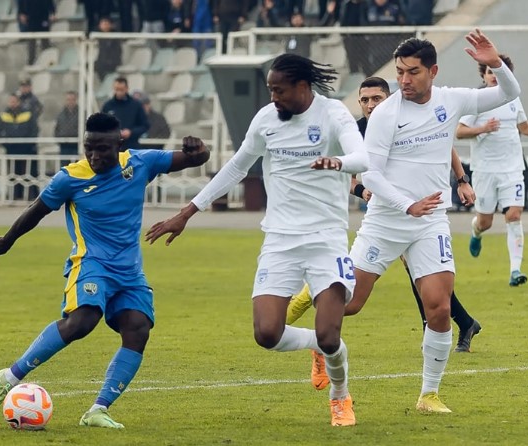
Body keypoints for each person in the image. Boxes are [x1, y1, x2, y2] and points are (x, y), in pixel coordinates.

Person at [145, 53, 369, 426]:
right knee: (266, 333)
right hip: (280, 239)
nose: (273, 98)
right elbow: (237, 166)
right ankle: (313, 345)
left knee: (330, 335)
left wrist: (338, 162)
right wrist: (187, 212)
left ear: (302, 86)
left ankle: (340, 396)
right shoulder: (266, 120)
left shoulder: (332, 114)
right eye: (270, 90)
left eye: (279, 91)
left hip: (325, 239)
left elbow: (363, 157)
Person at [0, 112, 210, 429]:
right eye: (89, 148)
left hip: (129, 271)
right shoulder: (70, 178)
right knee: (82, 321)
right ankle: (9, 377)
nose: (94, 156)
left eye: (102, 149)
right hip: (91, 263)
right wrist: (7, 240)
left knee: (138, 328)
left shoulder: (140, 163)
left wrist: (199, 149)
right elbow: (36, 211)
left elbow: (195, 158)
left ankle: (98, 410)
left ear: (119, 144)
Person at [336, 30, 519, 414]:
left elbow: (509, 94)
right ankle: (317, 299)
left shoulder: (452, 100)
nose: (404, 80)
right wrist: (407, 205)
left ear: (432, 72)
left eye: (413, 72)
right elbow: (371, 176)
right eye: (400, 72)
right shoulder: (386, 114)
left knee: (438, 307)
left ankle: (429, 395)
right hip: (387, 219)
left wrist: (496, 64)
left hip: (430, 220)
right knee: (349, 304)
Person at [288, 76, 482, 359]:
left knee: (423, 275)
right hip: (386, 214)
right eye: (364, 100)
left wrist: (462, 180)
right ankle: (462, 323)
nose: (370, 105)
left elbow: (444, 146)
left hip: (424, 211)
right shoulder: (355, 132)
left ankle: (445, 326)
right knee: (393, 284)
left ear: (388, 98)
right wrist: (363, 190)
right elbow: (344, 176)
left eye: (376, 98)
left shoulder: (408, 118)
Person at [456, 53, 528, 287]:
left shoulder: (513, 98)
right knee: (486, 222)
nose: (494, 76)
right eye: (490, 72)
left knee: (514, 215)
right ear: (483, 75)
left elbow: (525, 127)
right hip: (485, 171)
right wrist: (483, 128)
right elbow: (459, 132)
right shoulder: (477, 100)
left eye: (498, 72)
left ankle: (515, 270)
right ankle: (476, 232)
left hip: (512, 169)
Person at [0, 93, 39, 201]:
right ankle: (14, 196)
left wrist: (29, 143)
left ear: (19, 102)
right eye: (11, 101)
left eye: (14, 101)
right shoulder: (4, 115)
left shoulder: (27, 114)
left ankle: (29, 196)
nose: (12, 104)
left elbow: (34, 130)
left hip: (26, 149)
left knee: (27, 172)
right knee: (13, 173)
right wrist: (5, 143)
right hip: (11, 149)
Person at [101, 77, 149, 150]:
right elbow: (101, 126)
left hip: (132, 147)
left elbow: (145, 125)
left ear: (127, 89)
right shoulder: (108, 106)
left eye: (121, 90)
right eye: (117, 89)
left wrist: (131, 132)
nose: (119, 92)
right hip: (112, 147)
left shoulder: (136, 105)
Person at [18, 0, 56, 65]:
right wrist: (21, 12)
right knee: (31, 43)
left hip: (43, 16)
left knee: (45, 42)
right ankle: (31, 63)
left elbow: (50, 2)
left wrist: (52, 12)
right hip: (31, 18)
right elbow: (21, 2)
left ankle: (46, 62)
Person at [94, 16, 122, 82]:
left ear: (111, 25)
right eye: (103, 24)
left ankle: (104, 82)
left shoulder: (115, 37)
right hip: (100, 61)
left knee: (101, 66)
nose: (104, 26)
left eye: (106, 24)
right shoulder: (96, 36)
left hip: (112, 61)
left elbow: (117, 51)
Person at [54, 91, 79, 164]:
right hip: (64, 146)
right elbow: (57, 129)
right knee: (64, 167)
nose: (70, 102)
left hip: (77, 145)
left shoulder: (81, 113)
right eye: (68, 99)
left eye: (72, 99)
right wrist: (59, 139)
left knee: (77, 167)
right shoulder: (60, 114)